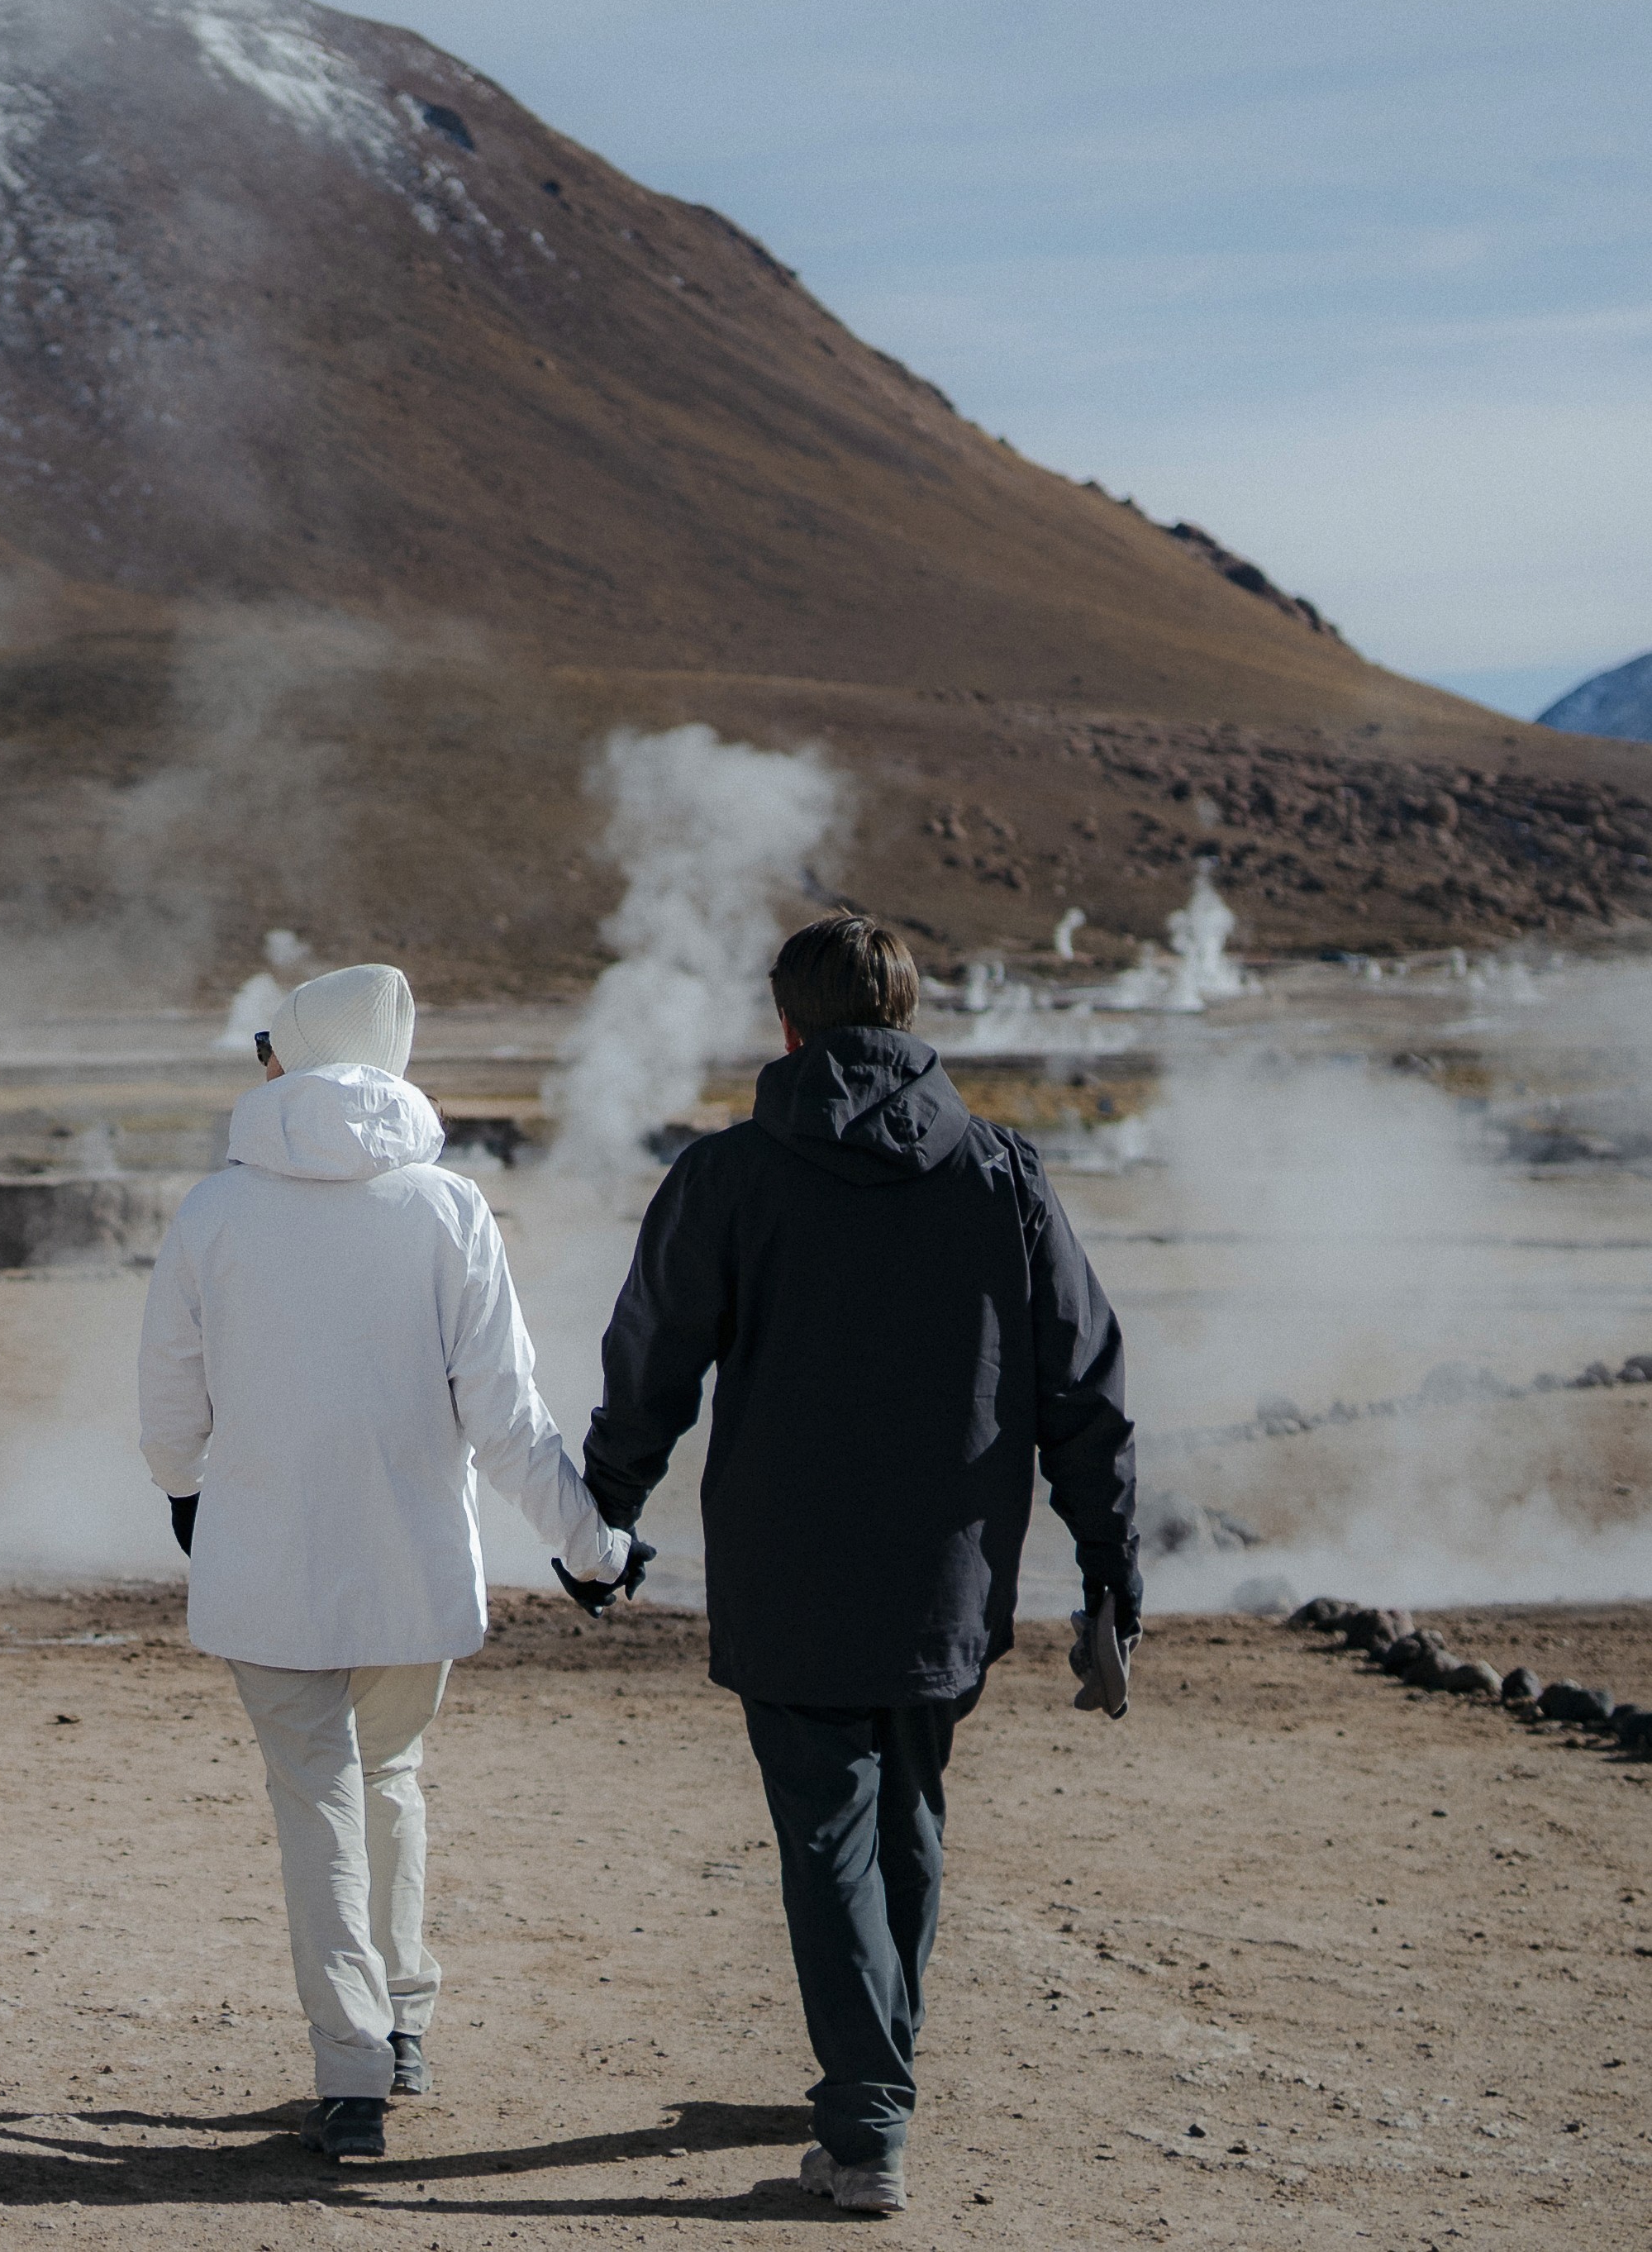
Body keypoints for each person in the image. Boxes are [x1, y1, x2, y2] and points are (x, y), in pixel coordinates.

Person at [578, 913, 1139, 2218]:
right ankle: (876, 2062)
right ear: (908, 1013)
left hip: (787, 1563)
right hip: (949, 1566)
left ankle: (868, 2117)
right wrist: (1110, 1565)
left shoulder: (726, 1177)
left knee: (830, 1827)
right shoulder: (1000, 1172)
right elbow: (1085, 1385)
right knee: (908, 1809)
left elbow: (649, 1361)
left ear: (787, 1026)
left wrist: (603, 1518)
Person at [137, 960, 633, 2162]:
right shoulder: (446, 1208)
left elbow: (167, 1405)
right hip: (410, 1564)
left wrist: (185, 1495)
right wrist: (589, 1547)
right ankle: (401, 2022)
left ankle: (352, 2065)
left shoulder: (211, 1211)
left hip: (264, 1565)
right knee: (392, 1774)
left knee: (313, 1799)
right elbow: (506, 1415)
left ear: (288, 1060)